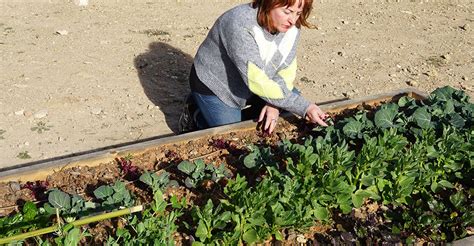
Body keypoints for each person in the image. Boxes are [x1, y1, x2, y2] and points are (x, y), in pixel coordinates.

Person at [179, 0, 328, 134]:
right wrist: (305, 107)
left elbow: (286, 70)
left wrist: (273, 104)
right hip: (217, 86)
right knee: (233, 134)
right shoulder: (240, 23)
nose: (292, 20)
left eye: (298, 13)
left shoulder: (292, 27)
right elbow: (256, 80)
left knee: (286, 101)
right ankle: (196, 114)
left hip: (253, 83)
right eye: (287, 12)